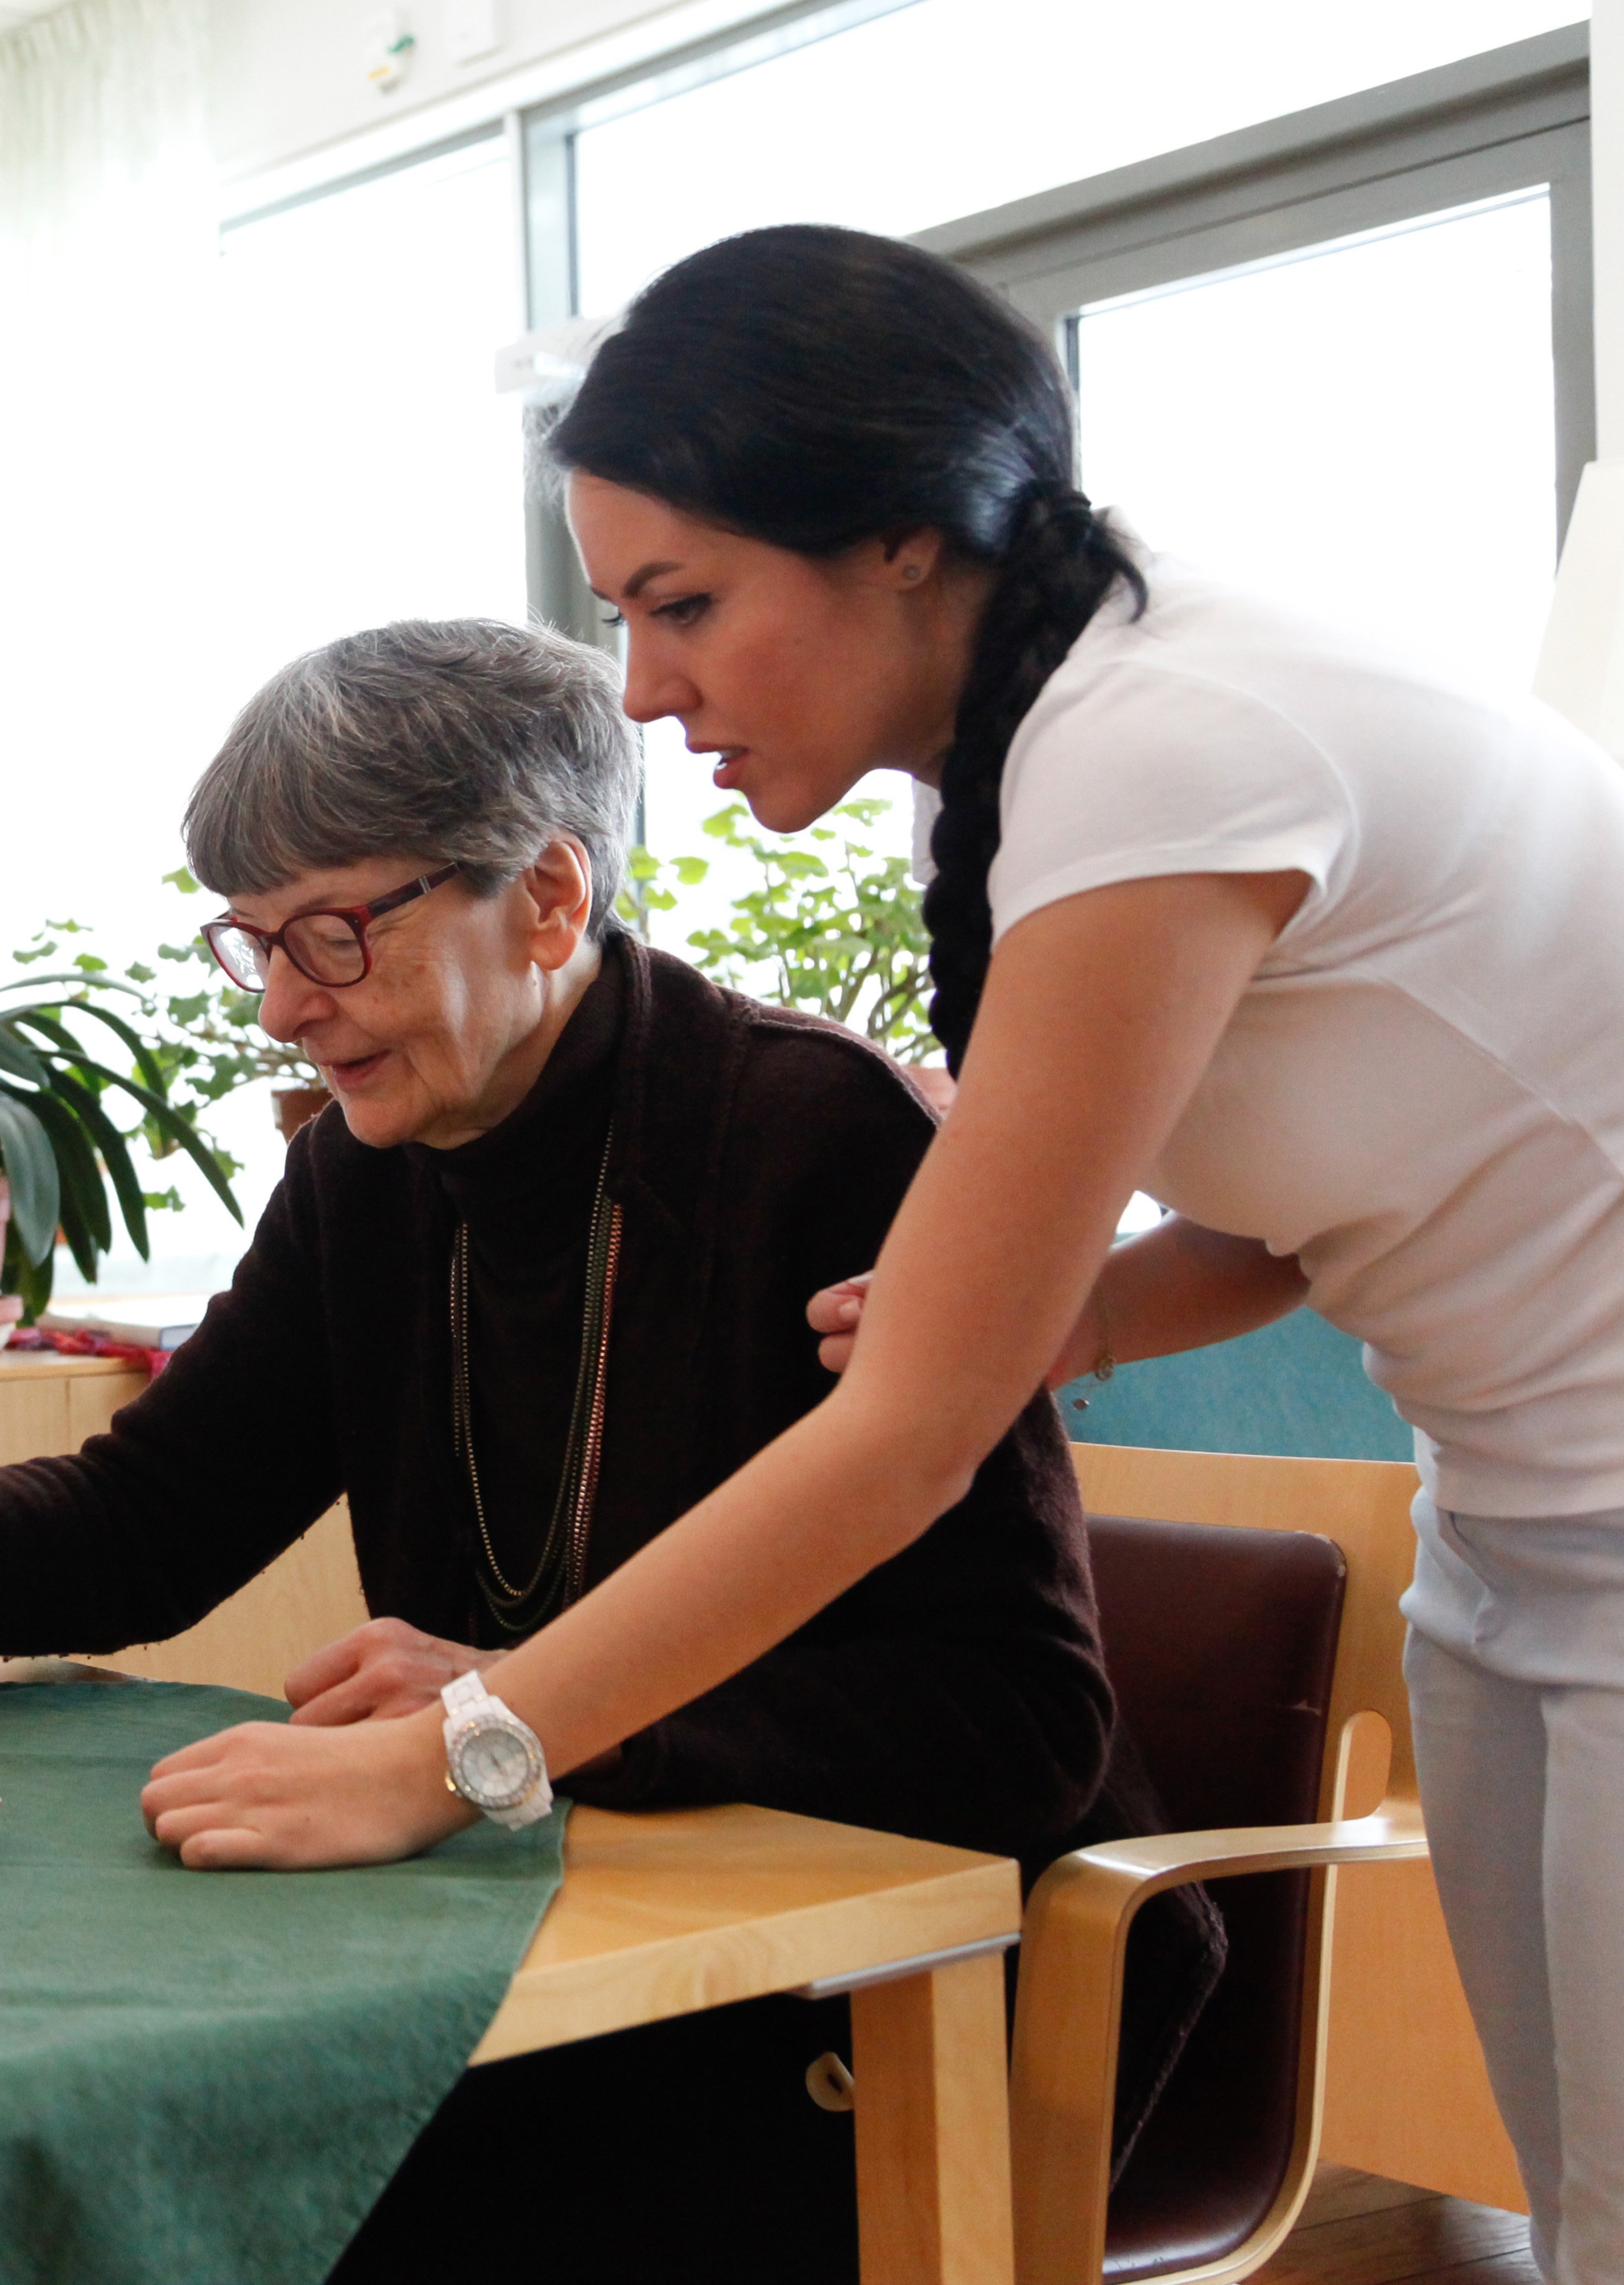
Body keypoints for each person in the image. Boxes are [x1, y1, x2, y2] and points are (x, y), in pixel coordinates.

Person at [0, 618, 1217, 2280]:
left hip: (883, 1999)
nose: (279, 1013)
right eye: (254, 943)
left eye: (330, 934)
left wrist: (514, 1714)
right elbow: (151, 1520)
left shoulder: (821, 1142)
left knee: (233, 2190)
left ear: (545, 896)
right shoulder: (369, 1170)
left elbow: (1016, 1728)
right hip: (563, 1944)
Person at [516, 222, 1624, 2282]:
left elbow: (909, 1439)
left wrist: (477, 1739)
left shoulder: (1153, 739)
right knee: (1582, 2214)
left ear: (902, 544)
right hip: (1511, 1523)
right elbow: (1311, 1205)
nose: (643, 688)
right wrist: (1077, 1309)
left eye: (683, 606)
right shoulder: (1020, 774)